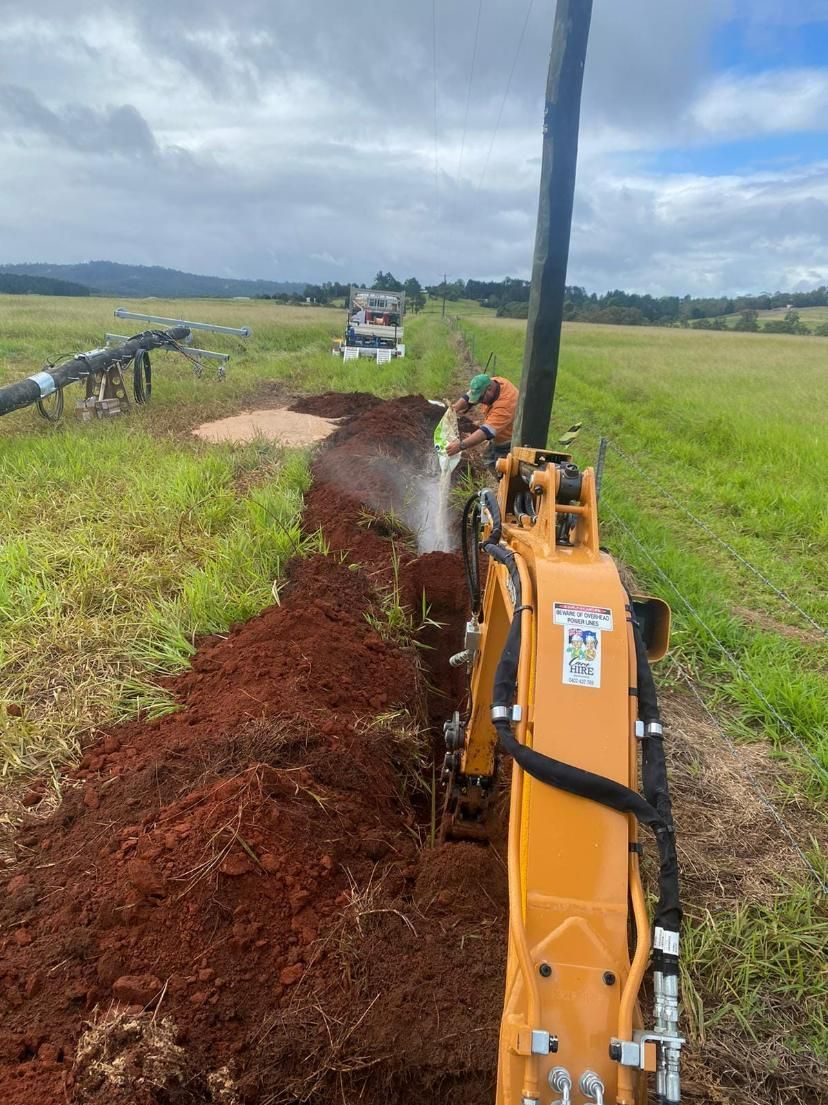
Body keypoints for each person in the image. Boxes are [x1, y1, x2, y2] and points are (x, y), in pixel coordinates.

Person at [446, 372, 518, 469]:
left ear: (489, 389)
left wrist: (460, 446)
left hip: (509, 443)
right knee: (488, 459)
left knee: (502, 469)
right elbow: (469, 395)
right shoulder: (493, 382)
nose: (479, 402)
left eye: (480, 399)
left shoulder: (505, 406)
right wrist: (455, 408)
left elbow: (485, 432)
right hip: (498, 436)